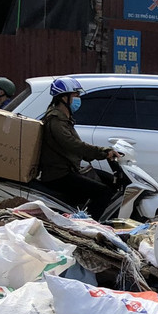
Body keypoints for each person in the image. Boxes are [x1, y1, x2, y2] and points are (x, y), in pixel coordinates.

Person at [38, 77, 118, 213]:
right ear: (64, 98)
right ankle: (89, 226)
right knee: (103, 192)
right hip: (58, 175)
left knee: (109, 181)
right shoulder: (55, 120)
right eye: (75, 95)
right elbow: (74, 145)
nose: (78, 98)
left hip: (69, 169)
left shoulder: (64, 118)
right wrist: (103, 152)